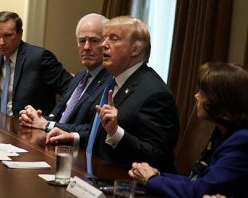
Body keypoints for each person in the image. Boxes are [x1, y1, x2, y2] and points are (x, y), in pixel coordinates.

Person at [46, 16, 179, 172]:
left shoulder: (154, 94)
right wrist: (74, 137)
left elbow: (157, 156)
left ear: (135, 50)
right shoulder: (117, 82)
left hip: (126, 185)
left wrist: (116, 133)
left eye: (113, 39)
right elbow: (102, 132)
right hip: (94, 173)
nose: (103, 45)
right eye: (104, 38)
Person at [128, 62, 248, 198]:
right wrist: (157, 175)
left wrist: (151, 179)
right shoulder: (223, 131)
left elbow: (203, 189)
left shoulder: (241, 140)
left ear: (220, 100)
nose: (196, 96)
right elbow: (197, 179)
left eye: (203, 92)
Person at [0, 11, 72, 116]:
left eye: (7, 35)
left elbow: (71, 90)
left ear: (20, 34)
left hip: (29, 127)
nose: (1, 42)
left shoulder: (39, 58)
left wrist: (52, 118)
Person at [18, 13, 111, 133]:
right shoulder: (80, 75)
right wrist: (34, 118)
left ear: (106, 44)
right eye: (82, 41)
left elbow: (93, 130)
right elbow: (59, 118)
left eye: (94, 40)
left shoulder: (110, 80)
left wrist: (47, 125)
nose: (86, 47)